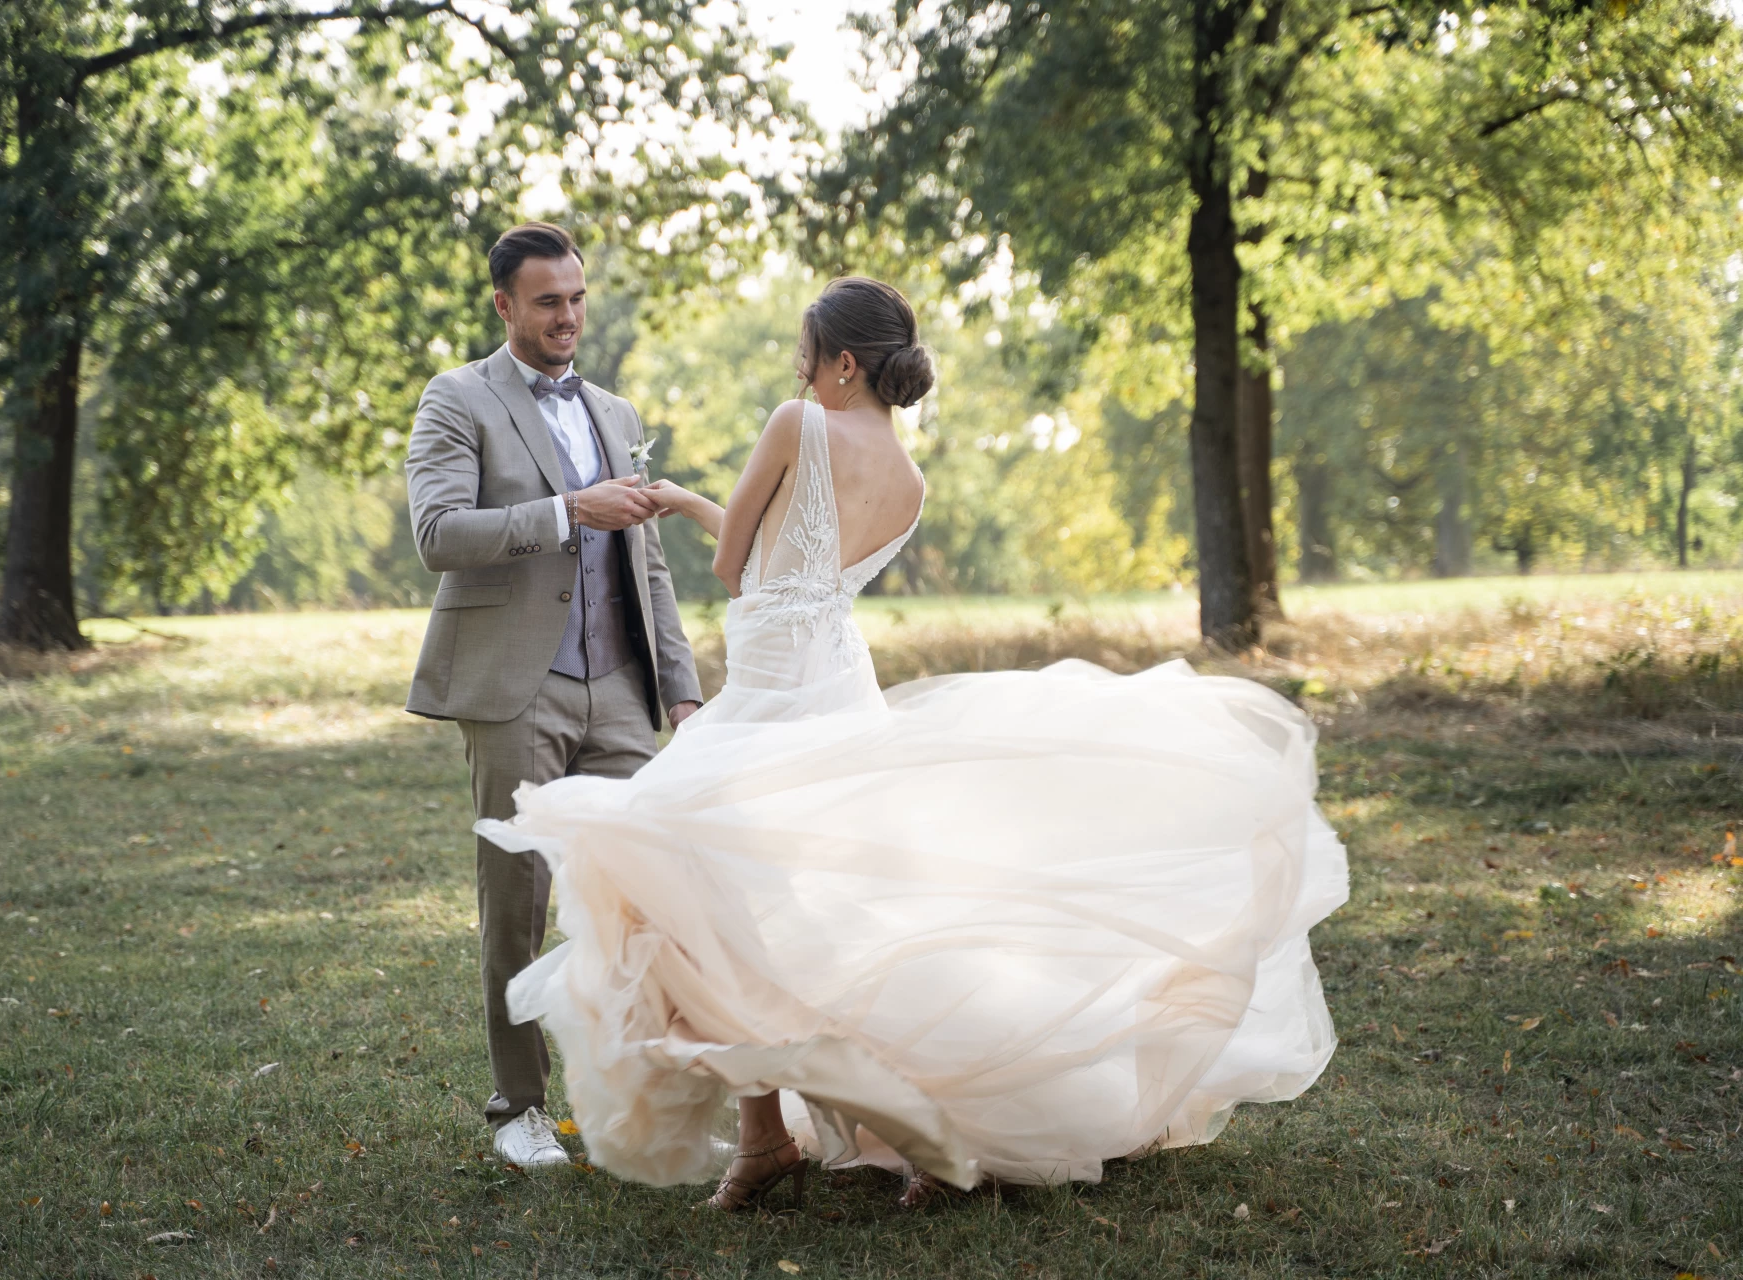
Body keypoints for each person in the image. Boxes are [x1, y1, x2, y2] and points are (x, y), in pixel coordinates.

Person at [475, 276, 1350, 1209]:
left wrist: (703, 521)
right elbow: (793, 561)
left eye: (807, 354)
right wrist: (687, 499)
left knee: (706, 897)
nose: (798, 369)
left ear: (843, 364)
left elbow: (740, 570)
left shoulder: (793, 424)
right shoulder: (913, 481)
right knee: (838, 913)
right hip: (838, 684)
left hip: (772, 693)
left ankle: (782, 1136)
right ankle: (862, 1138)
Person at [404, 221, 703, 1169]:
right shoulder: (457, 399)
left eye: (576, 297)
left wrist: (682, 691)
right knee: (519, 897)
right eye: (548, 301)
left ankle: (639, 1094)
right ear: (504, 304)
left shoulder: (615, 412)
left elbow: (647, 559)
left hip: (621, 688)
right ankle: (521, 1107)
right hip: (515, 689)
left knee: (645, 896)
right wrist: (569, 510)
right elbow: (440, 533)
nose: (568, 315)